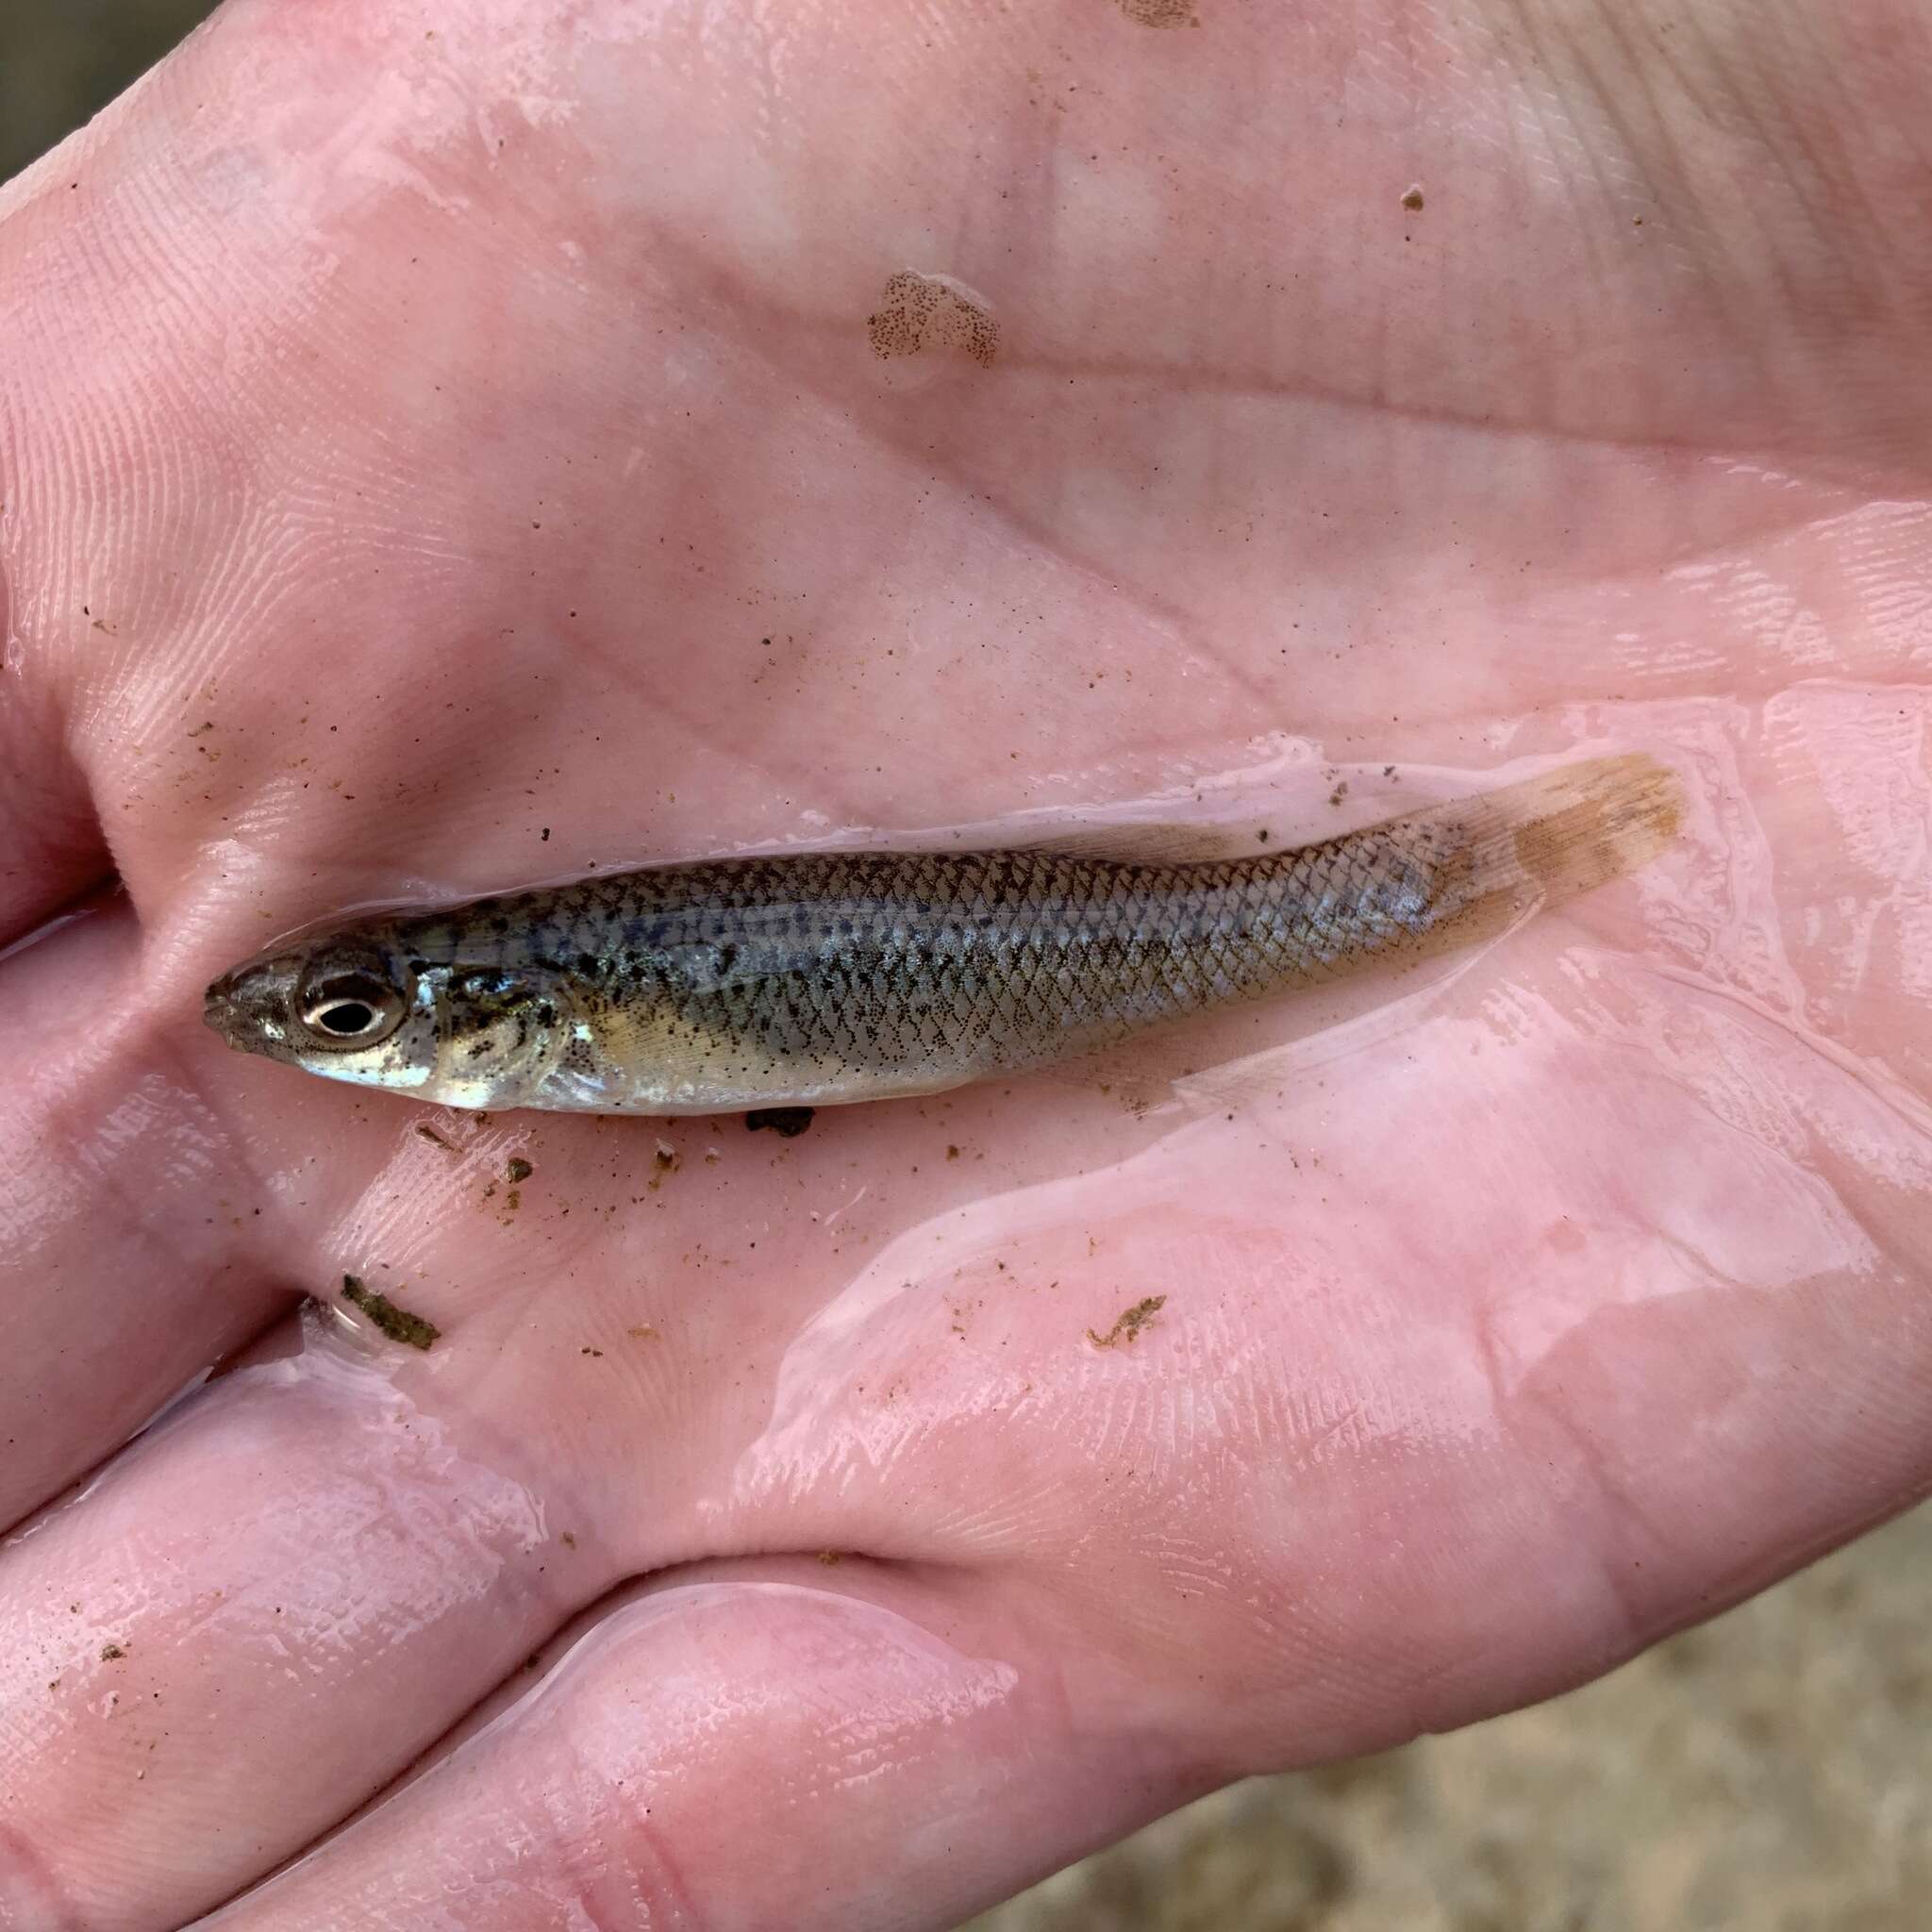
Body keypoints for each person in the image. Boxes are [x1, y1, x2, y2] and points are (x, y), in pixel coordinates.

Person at [1, 2, 1926, 1924]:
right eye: (341, 1015)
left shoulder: (555, 1030)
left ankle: (1446, 877)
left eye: (349, 1018)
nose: (311, 1036)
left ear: (493, 1018)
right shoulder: (542, 1020)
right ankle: (1437, 879)